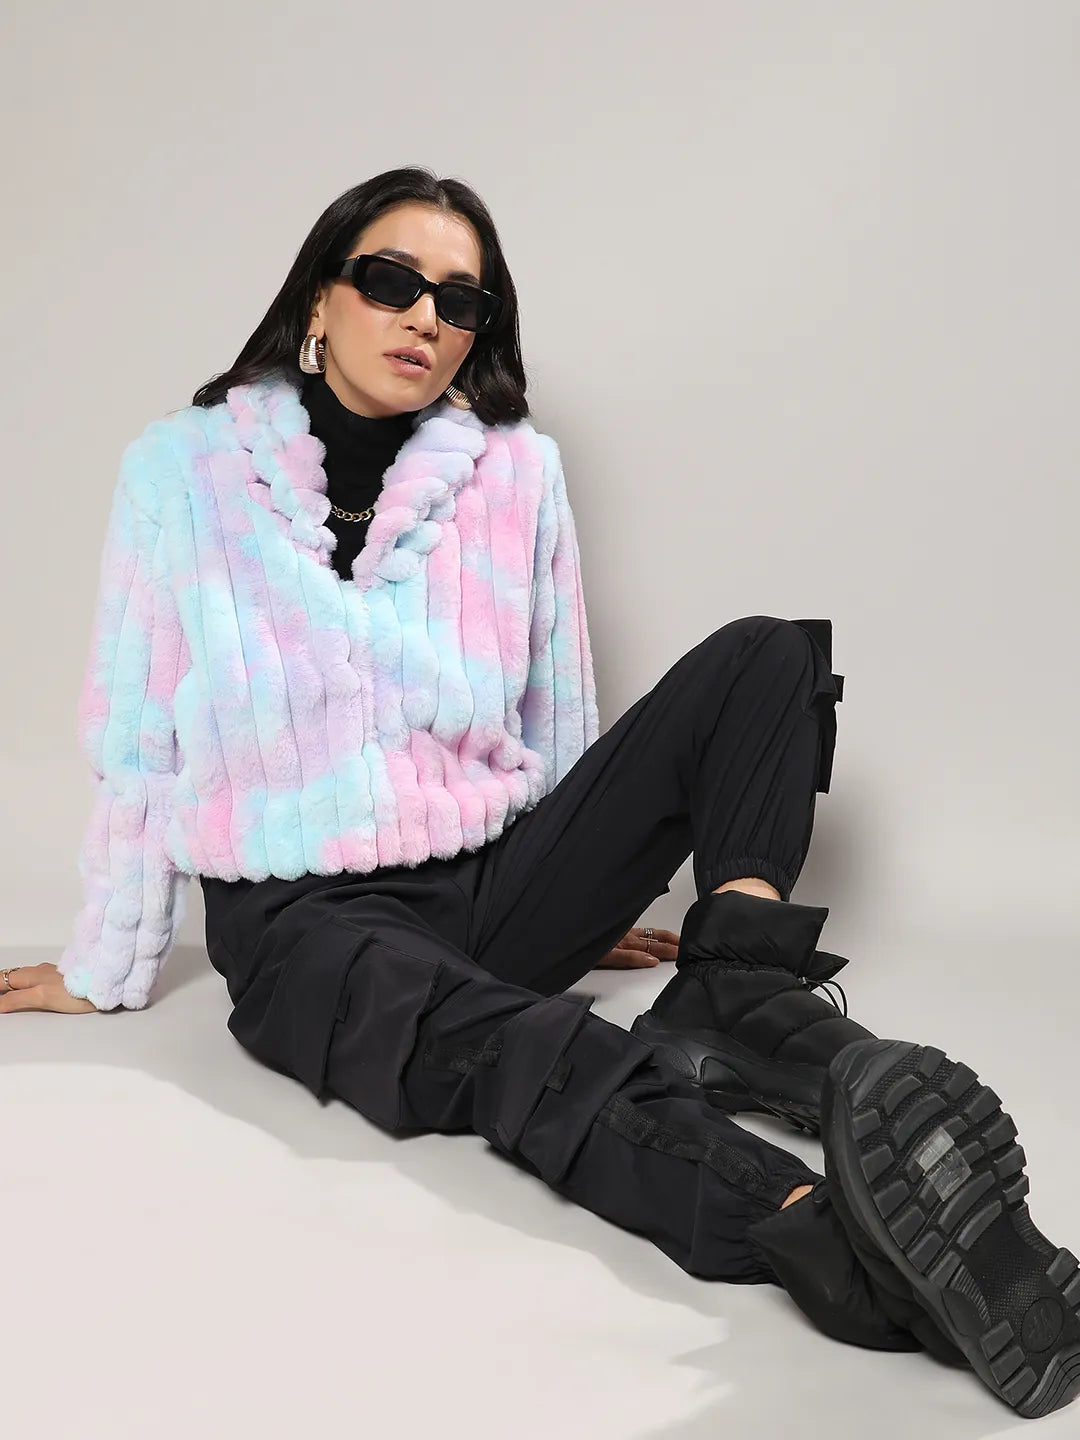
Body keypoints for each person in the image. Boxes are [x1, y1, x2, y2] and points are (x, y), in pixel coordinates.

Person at [6, 167, 1077, 1420]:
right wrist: (111, 958)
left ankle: (738, 986)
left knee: (769, 658)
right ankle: (829, 1238)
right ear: (319, 297)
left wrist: (584, 882)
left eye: (460, 302)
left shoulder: (514, 472)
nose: (424, 318)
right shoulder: (182, 473)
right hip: (310, 927)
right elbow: (138, 735)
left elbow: (554, 704)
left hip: (486, 883)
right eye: (391, 282)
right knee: (537, 1048)